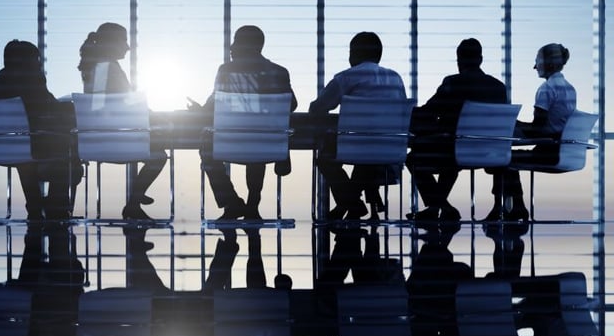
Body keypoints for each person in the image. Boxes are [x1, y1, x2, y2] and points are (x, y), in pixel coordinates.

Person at [189, 25, 297, 220]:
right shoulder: (279, 72)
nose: (231, 47)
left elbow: (213, 105)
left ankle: (231, 203)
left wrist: (199, 111)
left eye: (236, 42)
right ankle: (253, 204)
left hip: (231, 141)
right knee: (257, 141)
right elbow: (292, 104)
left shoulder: (226, 71)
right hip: (268, 144)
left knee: (206, 147)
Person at [309, 31, 408, 221]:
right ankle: (351, 204)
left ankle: (351, 203)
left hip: (356, 146)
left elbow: (317, 108)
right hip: (390, 149)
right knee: (366, 157)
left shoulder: (346, 77)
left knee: (326, 158)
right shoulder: (396, 79)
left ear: (354, 54)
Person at [406, 38, 508, 222]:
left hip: (454, 151)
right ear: (480, 59)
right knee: (450, 153)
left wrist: (407, 113)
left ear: (459, 60)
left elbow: (430, 111)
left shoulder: (453, 83)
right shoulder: (498, 88)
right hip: (490, 153)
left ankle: (441, 206)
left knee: (413, 158)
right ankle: (437, 208)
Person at [77, 23, 167, 220]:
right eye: (124, 41)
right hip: (116, 139)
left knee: (155, 143)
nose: (128, 47)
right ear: (112, 43)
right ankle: (134, 201)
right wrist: (154, 114)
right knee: (159, 154)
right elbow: (126, 103)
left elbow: (103, 104)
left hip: (95, 141)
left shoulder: (92, 68)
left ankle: (136, 196)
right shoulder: (109, 68)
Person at [0, 40, 82, 220]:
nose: (39, 63)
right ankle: (56, 206)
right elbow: (47, 106)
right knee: (67, 146)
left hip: (6, 146)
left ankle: (35, 206)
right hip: (37, 143)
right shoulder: (32, 77)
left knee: (26, 150)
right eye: (36, 59)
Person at [490, 43, 576, 221]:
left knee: (501, 158)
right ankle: (515, 208)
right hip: (564, 151)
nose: (535, 66)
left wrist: (514, 125)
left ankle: (506, 209)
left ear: (548, 63)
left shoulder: (546, 89)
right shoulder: (570, 88)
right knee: (505, 158)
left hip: (548, 152)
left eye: (537, 61)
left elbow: (537, 130)